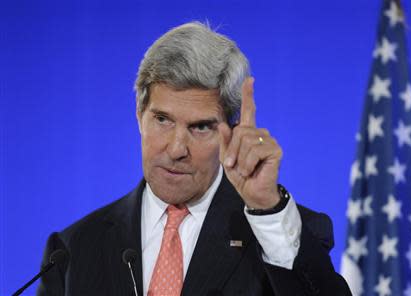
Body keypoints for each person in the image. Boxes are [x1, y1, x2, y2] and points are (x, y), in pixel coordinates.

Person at [37, 22, 351, 296]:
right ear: (139, 115)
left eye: (200, 127)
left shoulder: (279, 235)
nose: (176, 149)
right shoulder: (73, 249)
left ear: (233, 130)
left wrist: (267, 208)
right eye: (162, 120)